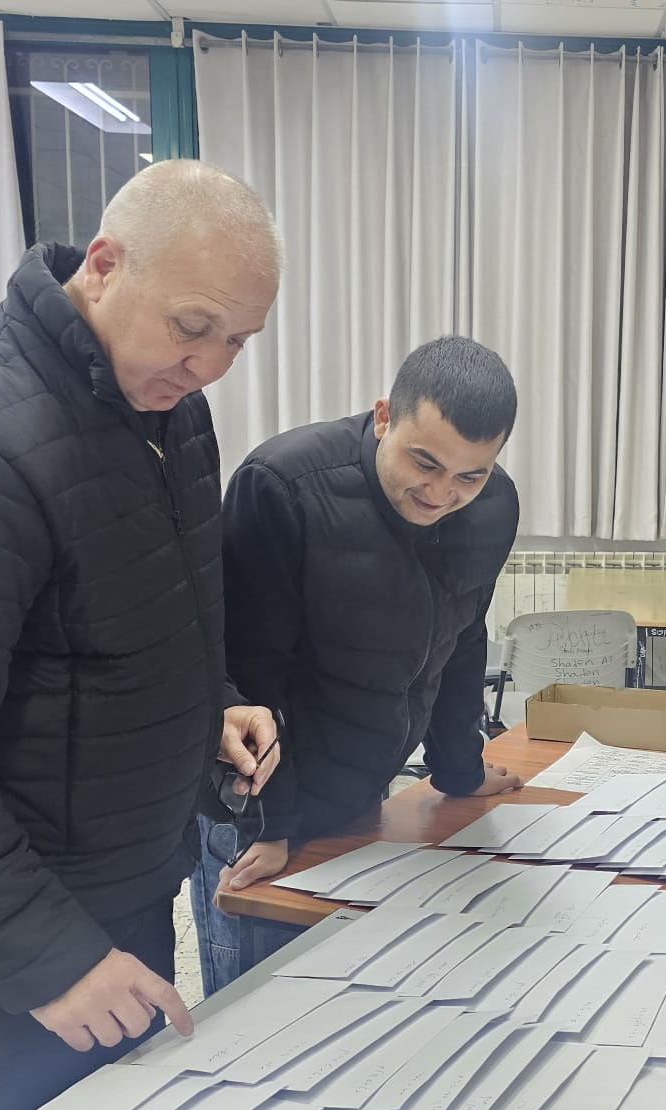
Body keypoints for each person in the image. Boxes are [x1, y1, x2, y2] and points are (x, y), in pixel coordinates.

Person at [0, 160, 286, 1110]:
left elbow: (133, 609)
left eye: (238, 341)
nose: (210, 366)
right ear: (106, 265)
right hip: (15, 916)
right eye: (193, 327)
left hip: (125, 872)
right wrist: (51, 959)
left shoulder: (163, 405)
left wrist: (208, 707)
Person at [190, 335, 524, 994]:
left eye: (470, 475)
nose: (442, 493)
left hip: (360, 795)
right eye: (425, 462)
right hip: (260, 811)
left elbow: (460, 640)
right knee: (257, 1007)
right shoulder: (284, 487)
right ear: (383, 417)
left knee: (342, 998)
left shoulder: (492, 508)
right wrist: (272, 824)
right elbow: (251, 675)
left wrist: (460, 768)